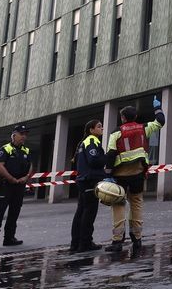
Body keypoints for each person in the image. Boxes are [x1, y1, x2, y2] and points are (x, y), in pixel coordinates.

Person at [105, 98, 165, 250]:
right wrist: (157, 108)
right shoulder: (143, 128)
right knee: (136, 203)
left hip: (120, 175)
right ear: (136, 117)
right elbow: (160, 121)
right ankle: (137, 238)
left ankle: (117, 241)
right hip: (138, 173)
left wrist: (108, 174)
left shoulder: (116, 132)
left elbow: (111, 154)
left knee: (119, 203)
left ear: (123, 118)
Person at [0, 125, 33, 250]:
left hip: (19, 186)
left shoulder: (26, 150)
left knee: (14, 213)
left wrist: (26, 177)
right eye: (21, 134)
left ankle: (9, 238)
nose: (24, 136)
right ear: (14, 135)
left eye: (25, 134)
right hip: (5, 185)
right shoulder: (5, 149)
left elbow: (30, 166)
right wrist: (11, 179)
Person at [70, 119, 106, 252]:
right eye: (99, 126)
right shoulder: (91, 141)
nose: (102, 128)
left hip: (83, 180)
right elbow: (94, 160)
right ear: (91, 130)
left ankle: (76, 243)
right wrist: (107, 157)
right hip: (90, 180)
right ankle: (85, 243)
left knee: (81, 212)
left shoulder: (82, 142)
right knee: (89, 213)